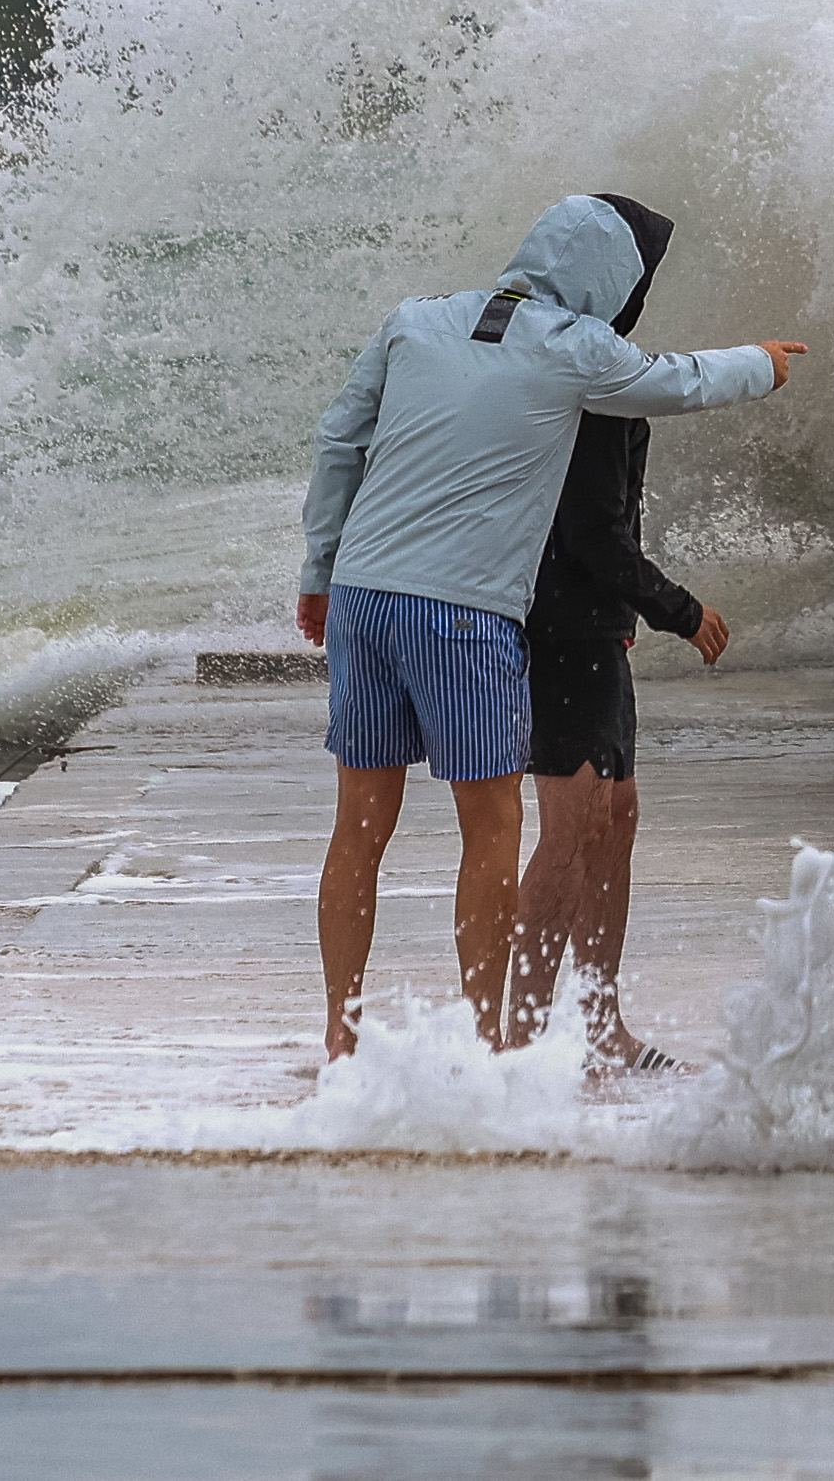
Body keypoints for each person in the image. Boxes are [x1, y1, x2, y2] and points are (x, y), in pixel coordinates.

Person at [297, 194, 801, 1059]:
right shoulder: (572, 347)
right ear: (605, 282)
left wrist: (319, 573)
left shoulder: (416, 320)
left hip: (365, 594)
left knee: (359, 828)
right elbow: (679, 378)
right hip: (462, 612)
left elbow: (340, 438)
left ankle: (340, 1041)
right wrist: (760, 362)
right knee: (491, 828)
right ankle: (491, 1045)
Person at [504, 193, 730, 1069]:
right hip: (560, 628)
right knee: (569, 827)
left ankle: (602, 1027)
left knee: (616, 815)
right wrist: (680, 609)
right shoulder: (594, 384)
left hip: (591, 631)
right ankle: (517, 1044)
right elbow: (594, 535)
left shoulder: (592, 367)